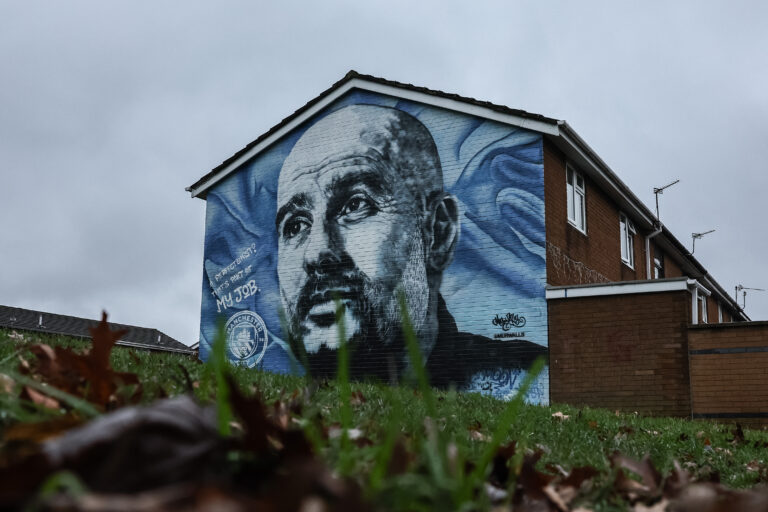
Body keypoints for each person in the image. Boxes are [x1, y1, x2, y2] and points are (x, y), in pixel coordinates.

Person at [275, 104, 545, 387]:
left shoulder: (531, 380)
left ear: (438, 232)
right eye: (295, 225)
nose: (316, 252)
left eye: (356, 204)